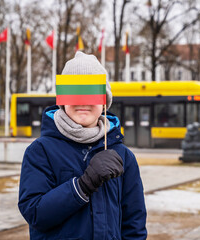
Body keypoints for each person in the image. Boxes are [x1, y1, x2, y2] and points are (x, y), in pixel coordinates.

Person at [18, 52, 147, 239]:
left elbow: (134, 223)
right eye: (75, 92)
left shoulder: (123, 155)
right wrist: (82, 186)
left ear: (104, 101)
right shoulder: (40, 151)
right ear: (62, 99)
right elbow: (35, 214)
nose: (83, 102)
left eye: (91, 92)